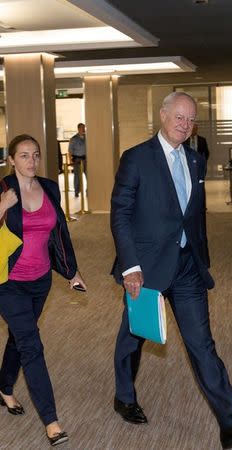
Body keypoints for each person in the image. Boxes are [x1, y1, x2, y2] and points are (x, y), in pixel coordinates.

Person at [110, 92, 232, 449]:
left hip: (186, 268)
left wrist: (202, 258)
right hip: (146, 268)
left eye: (190, 119)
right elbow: (120, 215)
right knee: (134, 337)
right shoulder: (136, 158)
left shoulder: (195, 160)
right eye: (178, 117)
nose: (184, 124)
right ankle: (124, 397)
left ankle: (229, 422)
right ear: (163, 116)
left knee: (202, 343)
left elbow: (195, 218)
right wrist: (130, 267)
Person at [0, 134, 86, 446]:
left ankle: (4, 387)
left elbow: (59, 233)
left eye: (35, 154)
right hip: (7, 282)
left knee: (19, 337)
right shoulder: (3, 190)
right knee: (32, 345)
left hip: (40, 280)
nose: (31, 161)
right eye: (23, 156)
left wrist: (70, 270)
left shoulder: (49, 188)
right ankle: (51, 421)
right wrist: (1, 207)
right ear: (11, 160)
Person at [68, 123, 86, 197]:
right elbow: (70, 151)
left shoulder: (87, 137)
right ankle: (77, 191)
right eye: (81, 128)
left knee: (89, 176)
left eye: (84, 128)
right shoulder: (74, 139)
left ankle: (88, 191)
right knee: (77, 177)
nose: (83, 129)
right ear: (78, 129)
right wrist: (70, 161)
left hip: (86, 159)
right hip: (77, 160)